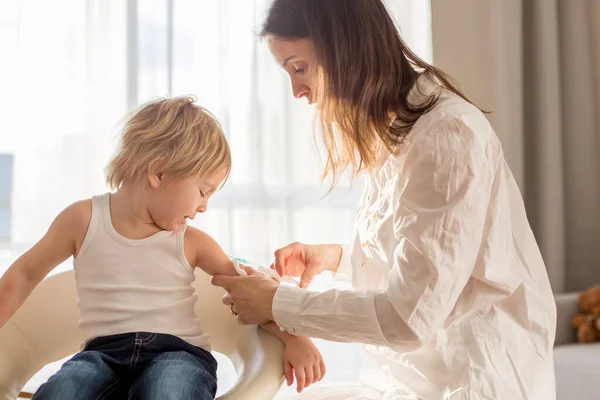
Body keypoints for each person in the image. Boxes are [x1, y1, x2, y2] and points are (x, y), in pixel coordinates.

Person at [211, 0, 557, 399]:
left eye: (298, 67)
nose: (297, 91)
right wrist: (337, 257)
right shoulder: (395, 130)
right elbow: (427, 254)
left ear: (343, 46)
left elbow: (409, 318)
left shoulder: (447, 136)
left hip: (470, 380)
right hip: (410, 378)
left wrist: (279, 303)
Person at [0, 96, 325, 399]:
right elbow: (24, 275)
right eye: (202, 190)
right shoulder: (82, 220)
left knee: (167, 391)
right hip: (102, 355)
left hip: (178, 354)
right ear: (158, 173)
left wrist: (296, 339)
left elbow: (253, 294)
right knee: (62, 391)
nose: (203, 207)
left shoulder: (193, 242)